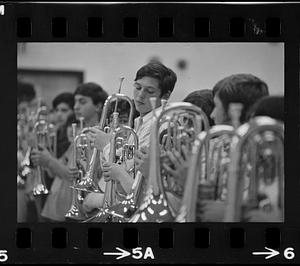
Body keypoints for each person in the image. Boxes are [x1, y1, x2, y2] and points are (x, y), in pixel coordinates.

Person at [82, 62, 177, 214]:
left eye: (150, 91)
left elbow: (132, 172)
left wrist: (108, 145)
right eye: (138, 87)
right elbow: (128, 162)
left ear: (166, 95)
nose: (140, 95)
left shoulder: (160, 126)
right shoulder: (142, 120)